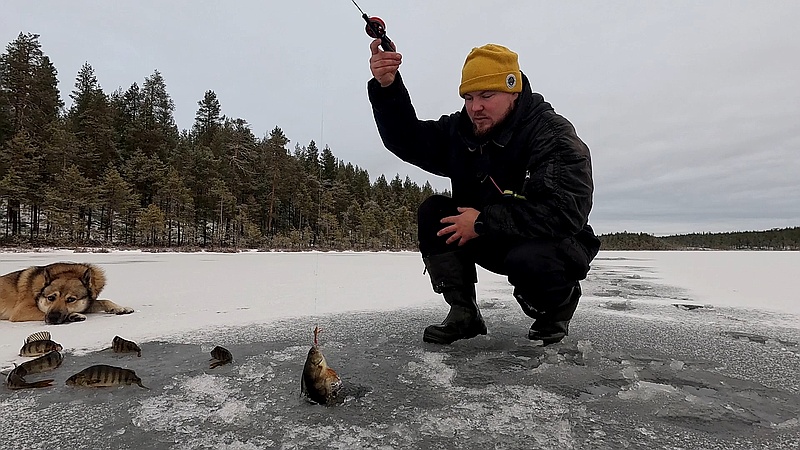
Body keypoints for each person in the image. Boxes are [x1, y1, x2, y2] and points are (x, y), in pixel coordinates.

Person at [367, 39, 601, 345]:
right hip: (489, 234)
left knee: (530, 260)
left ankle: (556, 309)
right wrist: (388, 87)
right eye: (469, 97)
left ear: (513, 91)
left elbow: (564, 213)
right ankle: (464, 313)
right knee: (434, 212)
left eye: (487, 96)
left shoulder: (553, 136)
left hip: (550, 244)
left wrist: (481, 222)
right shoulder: (462, 131)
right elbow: (407, 140)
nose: (475, 107)